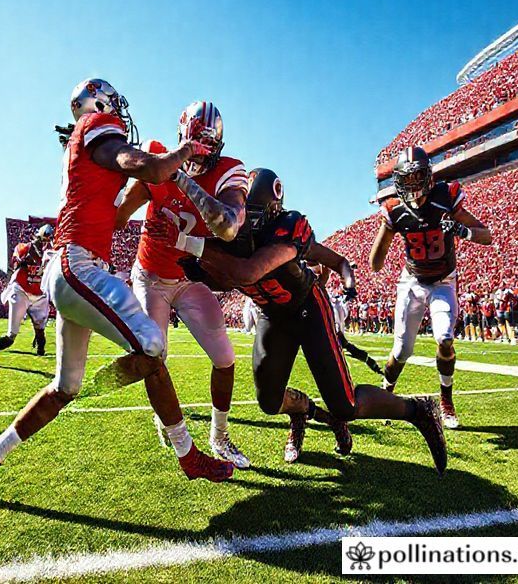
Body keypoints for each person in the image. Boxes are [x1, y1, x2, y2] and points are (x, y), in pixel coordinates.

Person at [0, 79, 234, 515]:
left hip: (77, 268)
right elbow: (145, 167)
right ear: (102, 107)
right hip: (79, 265)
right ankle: (187, 455)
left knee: (62, 388)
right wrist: (185, 152)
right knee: (151, 345)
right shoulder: (99, 127)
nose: (119, 119)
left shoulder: (89, 139)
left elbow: (111, 200)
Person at [169, 168, 447, 474]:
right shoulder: (224, 232)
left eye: (252, 214)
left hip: (307, 309)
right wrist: (203, 272)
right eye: (239, 212)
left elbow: (247, 273)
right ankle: (303, 414)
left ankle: (418, 409)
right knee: (269, 401)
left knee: (345, 404)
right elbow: (230, 279)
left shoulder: (288, 226)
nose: (243, 221)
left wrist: (192, 245)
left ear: (273, 210)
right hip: (271, 315)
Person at [99, 101, 251, 468]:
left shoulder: (230, 172)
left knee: (225, 358)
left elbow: (228, 227)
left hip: (188, 278)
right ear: (182, 139)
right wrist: (113, 183)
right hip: (150, 275)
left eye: (207, 146)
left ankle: (220, 436)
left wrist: (179, 176)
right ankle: (163, 416)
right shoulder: (158, 161)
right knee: (154, 357)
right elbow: (118, 217)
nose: (199, 153)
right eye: (193, 144)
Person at [369, 146, 491, 430]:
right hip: (412, 281)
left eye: (416, 177)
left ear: (428, 176)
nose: (411, 185)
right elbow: (376, 262)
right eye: (406, 179)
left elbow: (486, 235)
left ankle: (446, 401)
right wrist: (386, 232)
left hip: (443, 281)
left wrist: (463, 232)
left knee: (445, 338)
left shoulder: (445, 198)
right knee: (401, 351)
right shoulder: (394, 210)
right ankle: (386, 395)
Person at [0, 223, 54, 365]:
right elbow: (16, 259)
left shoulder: (52, 253)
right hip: (21, 290)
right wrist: (26, 256)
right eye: (43, 240)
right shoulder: (25, 248)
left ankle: (40, 350)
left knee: (40, 329)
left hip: (39, 294)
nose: (44, 244)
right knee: (11, 335)